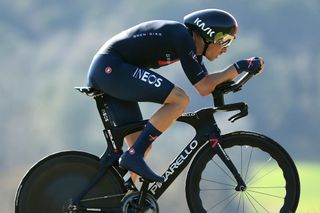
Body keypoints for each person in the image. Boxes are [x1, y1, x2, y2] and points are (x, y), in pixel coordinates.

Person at [87, 9, 264, 183]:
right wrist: (241, 66)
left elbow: (209, 84)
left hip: (111, 71)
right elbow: (203, 86)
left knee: (142, 145)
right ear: (209, 35)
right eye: (225, 41)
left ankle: (126, 198)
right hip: (111, 68)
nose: (225, 49)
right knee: (180, 99)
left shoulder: (190, 46)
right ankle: (134, 156)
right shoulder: (182, 37)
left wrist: (235, 79)